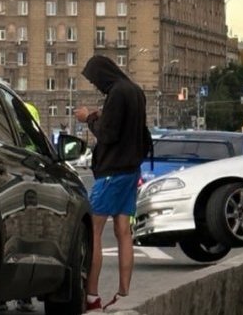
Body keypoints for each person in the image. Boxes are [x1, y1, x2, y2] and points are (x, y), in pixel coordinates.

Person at [75, 55, 152, 311]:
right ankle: (124, 293)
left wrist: (88, 118)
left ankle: (92, 297)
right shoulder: (135, 91)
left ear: (103, 75)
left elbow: (108, 134)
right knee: (123, 232)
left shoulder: (117, 93)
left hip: (111, 173)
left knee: (94, 232)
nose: (96, 85)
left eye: (95, 80)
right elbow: (133, 128)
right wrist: (102, 114)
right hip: (131, 170)